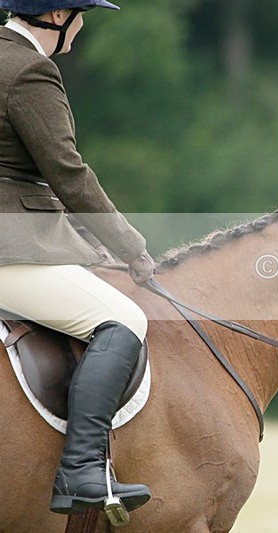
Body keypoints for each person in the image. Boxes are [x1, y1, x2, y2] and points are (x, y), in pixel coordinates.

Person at [0, 0, 153, 515]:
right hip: (8, 250)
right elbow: (69, 174)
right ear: (58, 15)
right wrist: (130, 245)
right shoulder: (28, 71)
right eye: (82, 13)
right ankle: (83, 471)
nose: (83, 26)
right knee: (123, 318)